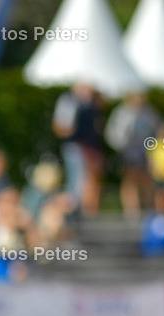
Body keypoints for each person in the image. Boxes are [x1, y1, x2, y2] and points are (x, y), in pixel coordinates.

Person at [54, 82, 105, 217]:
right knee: (76, 179)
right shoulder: (69, 101)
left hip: (89, 148)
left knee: (88, 180)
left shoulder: (91, 102)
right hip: (76, 146)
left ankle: (84, 213)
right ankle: (72, 213)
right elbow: (61, 126)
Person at [105, 92, 160, 217]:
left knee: (146, 179)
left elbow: (156, 130)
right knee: (129, 179)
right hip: (128, 152)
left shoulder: (149, 112)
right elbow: (112, 133)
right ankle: (131, 211)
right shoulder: (121, 112)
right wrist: (121, 145)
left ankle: (148, 209)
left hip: (145, 152)